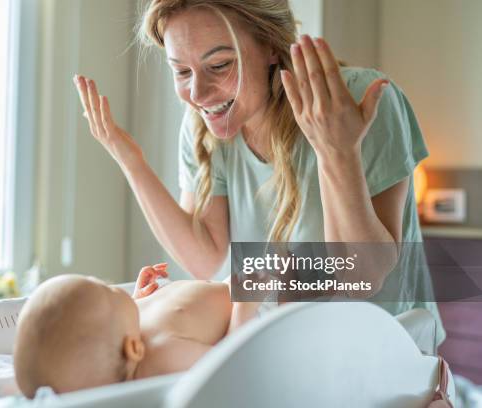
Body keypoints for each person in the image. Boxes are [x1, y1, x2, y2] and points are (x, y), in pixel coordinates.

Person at [73, 0, 444, 342]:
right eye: (181, 71)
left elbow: (363, 277)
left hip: (385, 359)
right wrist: (130, 161)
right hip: (286, 353)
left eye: (219, 65)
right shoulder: (204, 125)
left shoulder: (353, 102)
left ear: (270, 46)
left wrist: (336, 153)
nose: (198, 93)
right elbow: (206, 261)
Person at [13, 263, 258, 397]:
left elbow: (114, 327)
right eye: (107, 290)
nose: (109, 284)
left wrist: (135, 299)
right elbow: (231, 364)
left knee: (287, 244)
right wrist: (245, 305)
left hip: (242, 283)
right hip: (262, 312)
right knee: (291, 249)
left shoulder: (120, 332)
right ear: (133, 348)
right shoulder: (163, 355)